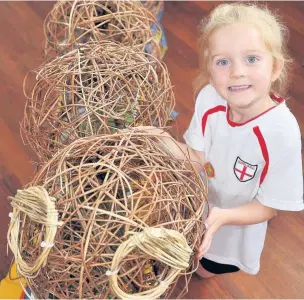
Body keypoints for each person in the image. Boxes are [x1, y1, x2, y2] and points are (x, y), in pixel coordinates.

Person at [137, 3, 304, 278]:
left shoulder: (281, 131)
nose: (237, 72)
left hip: (237, 222)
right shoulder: (209, 98)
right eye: (223, 62)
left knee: (205, 269)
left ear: (275, 68)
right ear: (211, 72)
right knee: (189, 250)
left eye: (251, 59)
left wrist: (224, 216)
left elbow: (268, 206)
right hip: (200, 204)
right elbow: (198, 159)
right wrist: (159, 139)